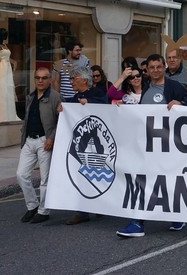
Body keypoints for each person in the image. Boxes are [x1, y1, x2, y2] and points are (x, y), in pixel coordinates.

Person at [116, 54, 187, 237]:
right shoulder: (143, 86)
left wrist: (182, 103)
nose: (155, 70)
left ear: (164, 67)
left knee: (167, 180)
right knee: (143, 181)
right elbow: (113, 95)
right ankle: (137, 222)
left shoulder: (175, 87)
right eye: (151, 67)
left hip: (169, 145)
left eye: (158, 67)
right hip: (146, 145)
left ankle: (176, 216)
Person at [62, 66, 109, 225]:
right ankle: (82, 211)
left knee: (97, 174)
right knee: (80, 174)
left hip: (96, 144)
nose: (71, 82)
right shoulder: (75, 97)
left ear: (83, 79)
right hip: (80, 144)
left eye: (73, 79)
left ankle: (101, 204)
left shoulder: (96, 93)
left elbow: (105, 104)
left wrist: (89, 102)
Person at [17, 67, 61, 224]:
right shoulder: (30, 96)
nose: (40, 81)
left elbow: (61, 121)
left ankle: (44, 211)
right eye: (37, 78)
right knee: (21, 175)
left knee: (45, 179)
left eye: (44, 78)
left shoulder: (56, 97)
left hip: (45, 141)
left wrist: (51, 137)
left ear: (49, 79)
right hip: (29, 140)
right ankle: (32, 206)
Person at [0, 28, 18, 122]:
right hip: (2, 68)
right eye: (4, 34)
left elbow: (8, 57)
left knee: (8, 90)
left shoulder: (5, 45)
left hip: (8, 68)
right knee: (2, 89)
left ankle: (9, 113)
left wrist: (14, 64)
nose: (6, 36)